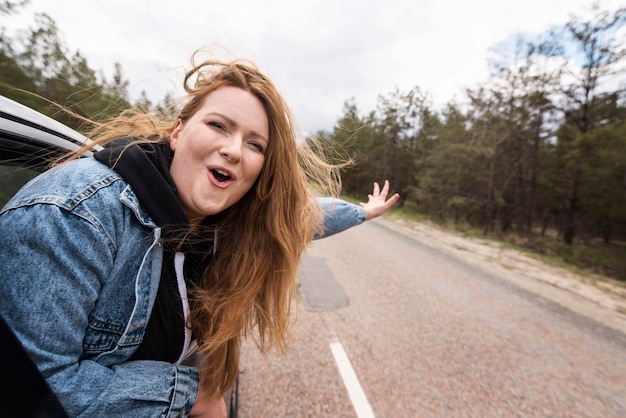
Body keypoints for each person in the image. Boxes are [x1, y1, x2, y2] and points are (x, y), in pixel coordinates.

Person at [0, 57, 398, 417]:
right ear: (177, 133)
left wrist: (363, 212)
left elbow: (303, 217)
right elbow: (35, 391)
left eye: (255, 145)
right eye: (218, 125)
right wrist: (194, 395)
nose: (234, 150)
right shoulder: (75, 214)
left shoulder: (227, 224)